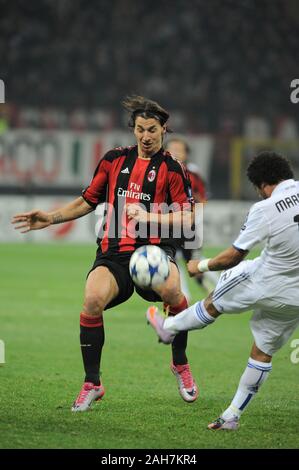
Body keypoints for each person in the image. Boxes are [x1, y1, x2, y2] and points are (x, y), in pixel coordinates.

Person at [12, 95, 199, 412]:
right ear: (133, 129)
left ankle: (180, 363)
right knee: (92, 299)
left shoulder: (173, 169)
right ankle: (92, 382)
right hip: (113, 255)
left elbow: (188, 217)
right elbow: (87, 201)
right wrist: (50, 217)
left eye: (152, 129)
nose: (145, 136)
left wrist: (150, 217)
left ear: (164, 129)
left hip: (154, 251)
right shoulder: (114, 160)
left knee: (173, 290)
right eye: (140, 129)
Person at [146, 151, 299, 430]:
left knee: (213, 302)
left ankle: (169, 327)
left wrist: (200, 265)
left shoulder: (266, 208)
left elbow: (234, 255)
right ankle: (232, 416)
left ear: (261, 184)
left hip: (264, 279)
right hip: (295, 298)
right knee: (262, 352)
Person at [165, 137, 219, 297]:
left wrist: (191, 218)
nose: (174, 152)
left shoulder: (193, 175)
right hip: (166, 227)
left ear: (186, 154)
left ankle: (220, 288)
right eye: (170, 149)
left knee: (195, 266)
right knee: (172, 262)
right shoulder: (159, 172)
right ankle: (183, 298)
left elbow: (202, 200)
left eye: (178, 150)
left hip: (188, 228)